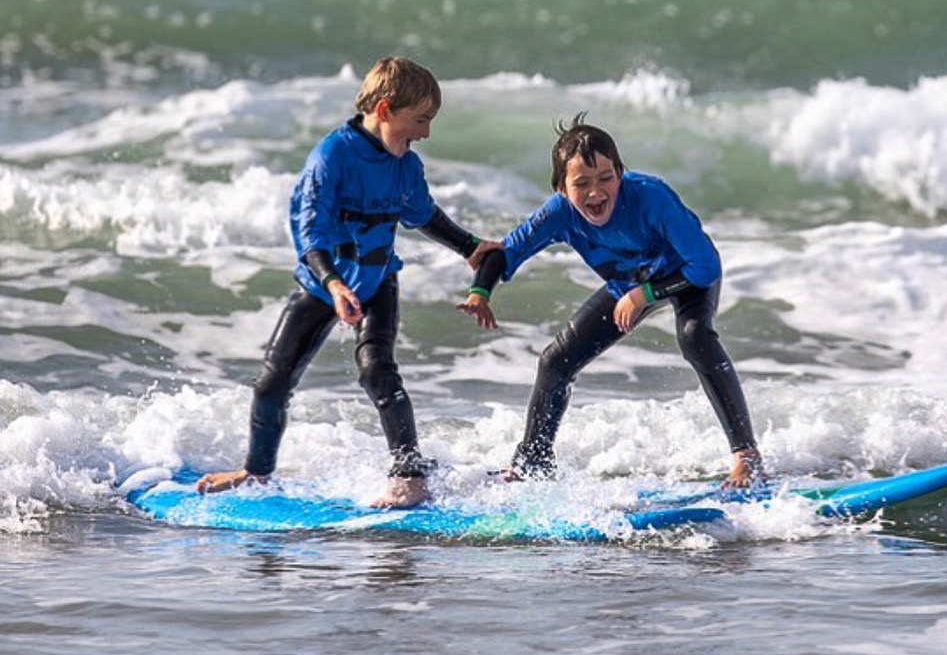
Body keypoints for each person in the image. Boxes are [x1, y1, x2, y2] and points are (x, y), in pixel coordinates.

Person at [198, 57, 498, 507]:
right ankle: (255, 472)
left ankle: (409, 476)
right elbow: (310, 233)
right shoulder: (331, 158)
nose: (425, 133)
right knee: (271, 384)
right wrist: (334, 285)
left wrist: (470, 247)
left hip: (377, 280)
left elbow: (423, 215)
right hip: (322, 283)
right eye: (420, 120)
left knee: (378, 370)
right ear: (384, 110)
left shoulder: (405, 165)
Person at [458, 114, 764, 489]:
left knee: (694, 335)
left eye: (606, 178)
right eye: (581, 183)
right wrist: (480, 291)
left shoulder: (651, 196)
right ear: (561, 188)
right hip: (628, 285)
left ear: (620, 173)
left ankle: (747, 456)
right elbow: (506, 251)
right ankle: (533, 464)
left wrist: (645, 293)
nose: (596, 192)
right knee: (555, 361)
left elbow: (704, 266)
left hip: (685, 273)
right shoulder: (558, 214)